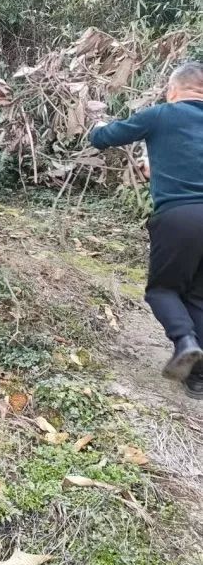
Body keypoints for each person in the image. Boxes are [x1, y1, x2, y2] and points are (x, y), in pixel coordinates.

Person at [89, 60, 203, 399]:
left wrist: (96, 124)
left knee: (162, 290)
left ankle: (183, 340)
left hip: (179, 218)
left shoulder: (161, 115)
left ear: (172, 90)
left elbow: (104, 137)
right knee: (198, 296)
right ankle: (197, 381)